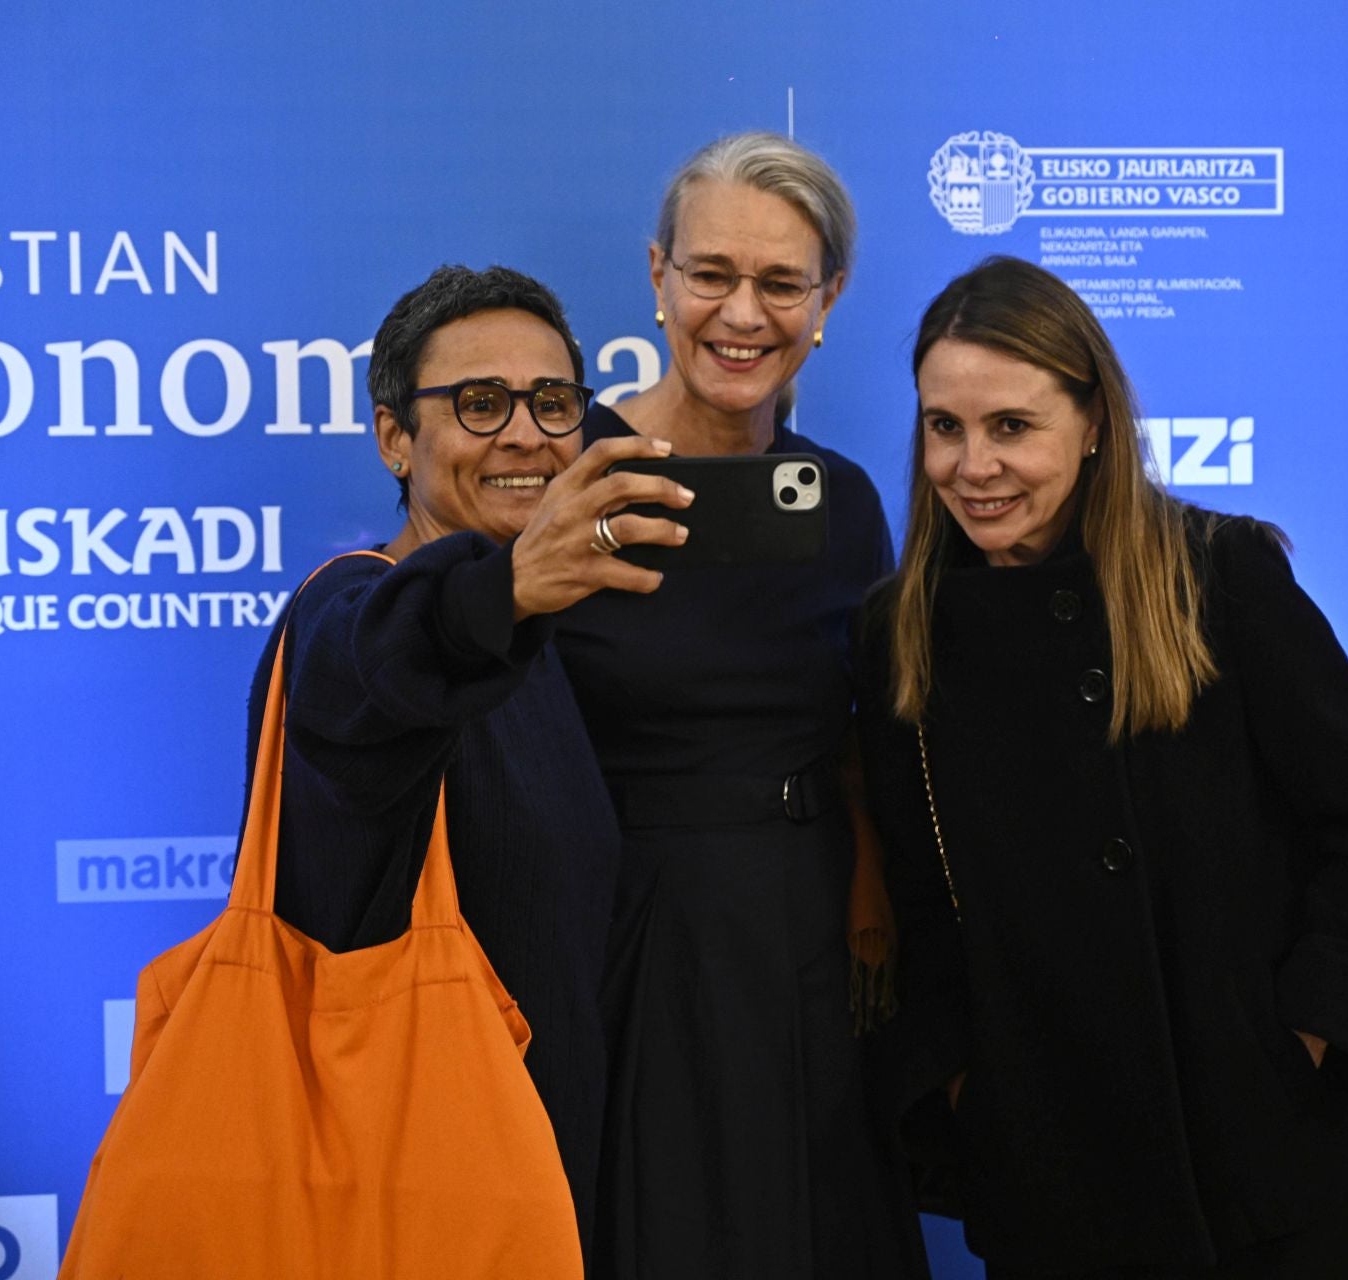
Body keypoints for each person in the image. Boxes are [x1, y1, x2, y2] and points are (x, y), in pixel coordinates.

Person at [853, 256, 1348, 1279]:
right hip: (1060, 1182)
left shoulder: (1219, 575)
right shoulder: (899, 631)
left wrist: (1300, 1050)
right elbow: (919, 904)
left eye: (1011, 426)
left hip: (1281, 1175)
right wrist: (969, 1092)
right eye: (945, 426)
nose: (972, 465)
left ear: (1093, 422)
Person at [242, 264, 691, 1259]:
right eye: (481, 404)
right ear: (395, 438)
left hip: (537, 1189)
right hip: (403, 1196)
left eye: (553, 401)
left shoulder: (535, 644)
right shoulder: (352, 613)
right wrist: (506, 591)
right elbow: (380, 662)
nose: (526, 434)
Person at [550, 132, 923, 1278]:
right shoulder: (570, 475)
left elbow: (864, 731)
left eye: (780, 282)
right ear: (657, 276)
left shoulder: (844, 501)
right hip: (631, 948)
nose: (742, 314)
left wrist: (870, 891)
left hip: (814, 946)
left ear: (828, 300)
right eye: (711, 273)